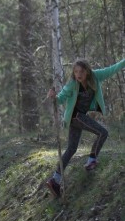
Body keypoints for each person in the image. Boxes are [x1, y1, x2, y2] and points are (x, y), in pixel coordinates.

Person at [45, 57, 125, 197]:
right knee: (103, 132)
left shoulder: (96, 76)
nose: (78, 74)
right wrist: (54, 97)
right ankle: (92, 160)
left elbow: (113, 68)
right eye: (76, 71)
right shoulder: (72, 83)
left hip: (78, 116)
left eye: (81, 71)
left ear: (87, 71)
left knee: (71, 149)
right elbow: (61, 98)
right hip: (74, 116)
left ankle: (55, 180)